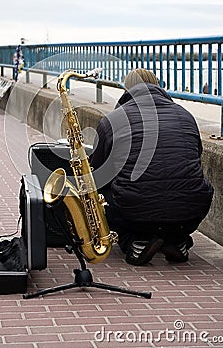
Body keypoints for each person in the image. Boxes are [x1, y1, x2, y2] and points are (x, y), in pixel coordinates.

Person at [90, 68, 214, 266]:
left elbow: (96, 172)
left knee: (102, 190)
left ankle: (134, 243)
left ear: (127, 89)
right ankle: (178, 239)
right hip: (189, 210)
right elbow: (195, 157)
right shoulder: (185, 115)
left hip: (135, 214)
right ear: (158, 86)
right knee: (192, 184)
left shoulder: (112, 120)